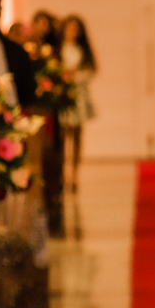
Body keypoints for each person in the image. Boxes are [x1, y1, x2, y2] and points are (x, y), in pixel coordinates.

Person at [58, 16, 97, 193]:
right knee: (62, 138)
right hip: (62, 96)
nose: (73, 32)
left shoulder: (81, 49)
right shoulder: (58, 48)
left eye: (76, 29)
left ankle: (74, 175)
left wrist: (73, 76)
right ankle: (62, 174)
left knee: (76, 137)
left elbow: (91, 69)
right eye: (70, 28)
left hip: (78, 95)